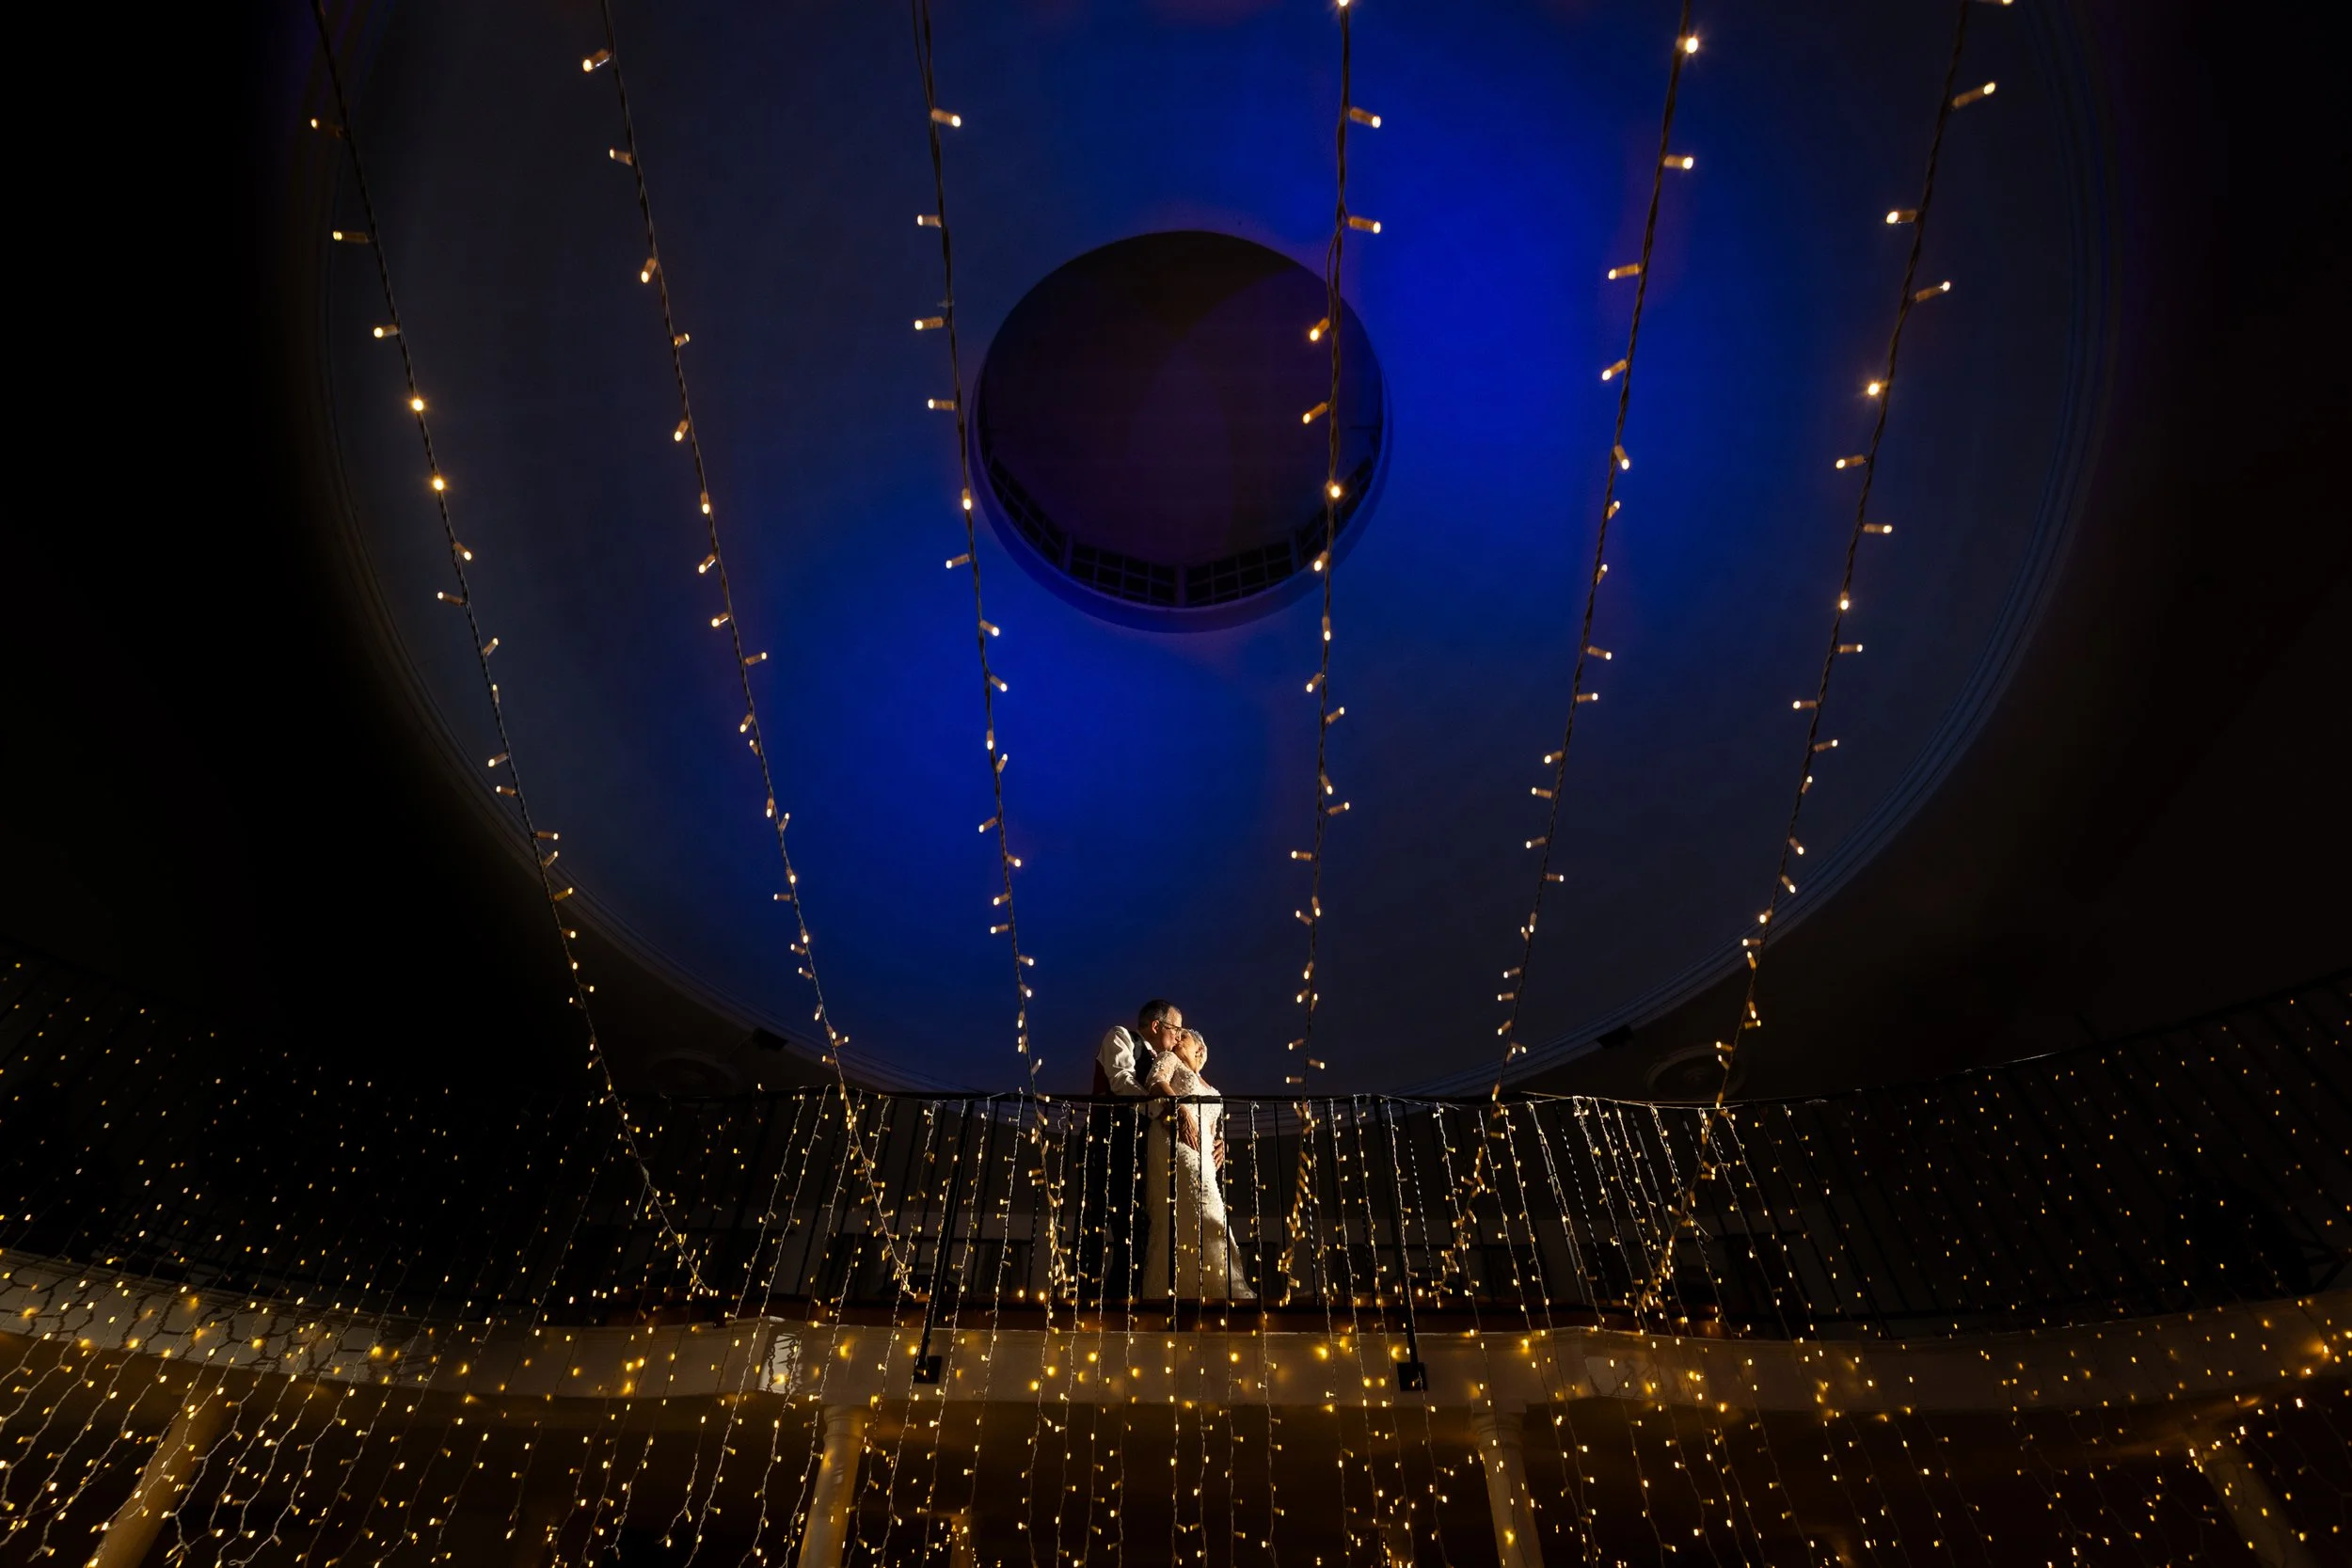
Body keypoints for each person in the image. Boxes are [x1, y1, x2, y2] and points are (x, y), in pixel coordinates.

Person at [1085, 1000, 1184, 1305]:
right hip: (1108, 1142)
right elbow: (1121, 1081)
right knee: (1097, 1223)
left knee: (1137, 1230)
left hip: (1142, 1152)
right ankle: (1088, 1305)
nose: (1179, 1037)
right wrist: (1161, 1110)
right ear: (1156, 1026)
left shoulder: (1167, 1064)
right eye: (1176, 1029)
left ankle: (1120, 1304)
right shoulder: (1121, 1036)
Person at [1142, 1028, 1253, 1302]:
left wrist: (1220, 1143)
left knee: (1211, 1212)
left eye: (1184, 1036)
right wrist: (1179, 1108)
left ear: (1200, 1050)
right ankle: (1175, 1291)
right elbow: (1155, 1081)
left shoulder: (1210, 1088)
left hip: (1204, 1154)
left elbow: (1212, 1127)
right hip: (1175, 1141)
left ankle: (1213, 1289)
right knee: (1187, 1209)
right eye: (1176, 1034)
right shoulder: (1169, 1059)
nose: (1177, 1038)